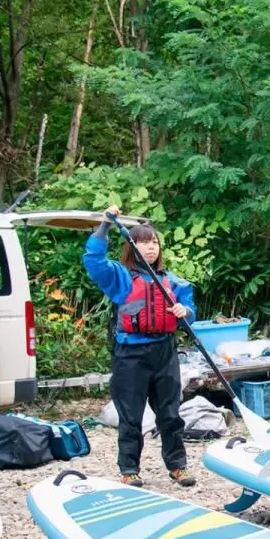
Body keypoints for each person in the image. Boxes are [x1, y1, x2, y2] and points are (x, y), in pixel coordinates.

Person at [84, 206, 197, 488]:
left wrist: (186, 313)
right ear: (132, 247)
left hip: (164, 352)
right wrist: (104, 226)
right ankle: (129, 468)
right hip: (131, 355)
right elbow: (94, 260)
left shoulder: (175, 282)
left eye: (155, 242)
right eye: (144, 242)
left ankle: (178, 466)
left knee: (170, 413)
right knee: (131, 415)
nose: (151, 248)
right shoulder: (120, 278)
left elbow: (191, 313)